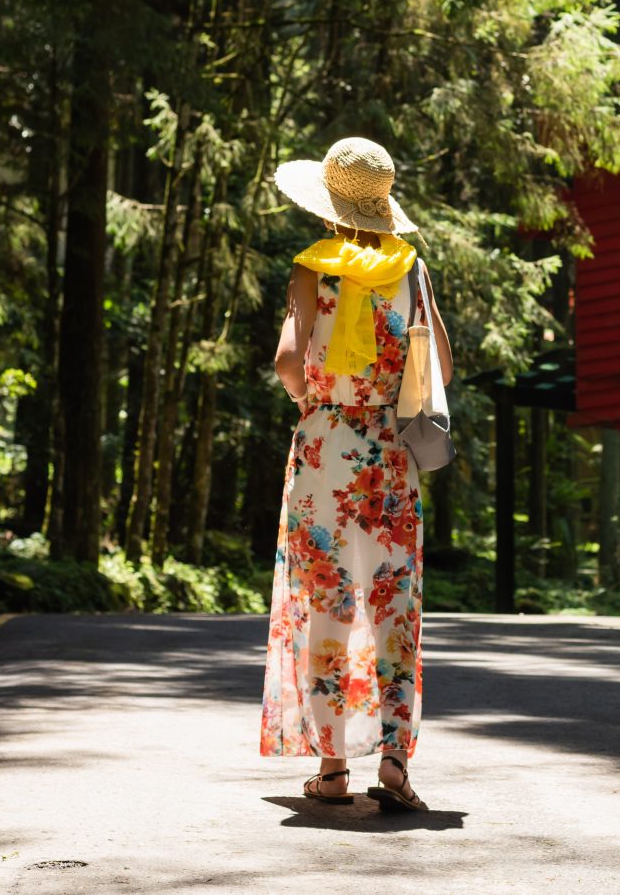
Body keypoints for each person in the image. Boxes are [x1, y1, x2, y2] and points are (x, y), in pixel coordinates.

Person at [260, 137, 452, 813]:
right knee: (392, 602)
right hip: (391, 453)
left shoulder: (313, 270)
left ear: (328, 206)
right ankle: (396, 762)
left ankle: (334, 766)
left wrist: (315, 398)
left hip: (324, 452)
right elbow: (443, 374)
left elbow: (289, 361)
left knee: (329, 600)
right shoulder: (411, 272)